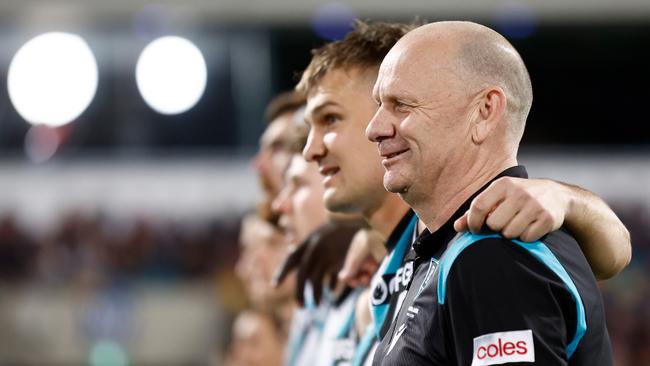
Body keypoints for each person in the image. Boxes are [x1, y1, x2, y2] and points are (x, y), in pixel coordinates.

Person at [297, 20, 630, 365]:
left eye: (402, 105)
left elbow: (615, 252)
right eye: (379, 104)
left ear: (485, 111)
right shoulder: (430, 254)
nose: (375, 128)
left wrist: (571, 200)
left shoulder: (491, 256)